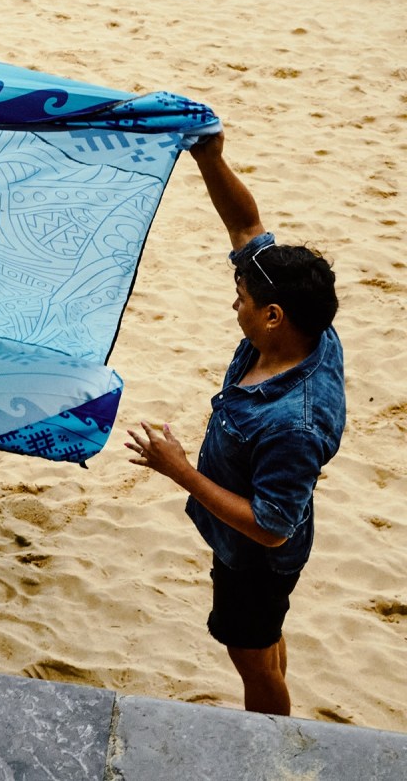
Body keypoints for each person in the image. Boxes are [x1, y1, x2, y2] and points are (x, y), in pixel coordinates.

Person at [127, 131, 343, 716]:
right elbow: (246, 227)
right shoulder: (309, 327)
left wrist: (179, 471)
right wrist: (210, 156)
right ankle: (273, 668)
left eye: (242, 298)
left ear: (273, 316)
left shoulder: (293, 425)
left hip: (255, 562)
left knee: (250, 658)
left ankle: (269, 743)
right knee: (264, 642)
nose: (234, 304)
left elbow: (271, 528)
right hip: (253, 547)